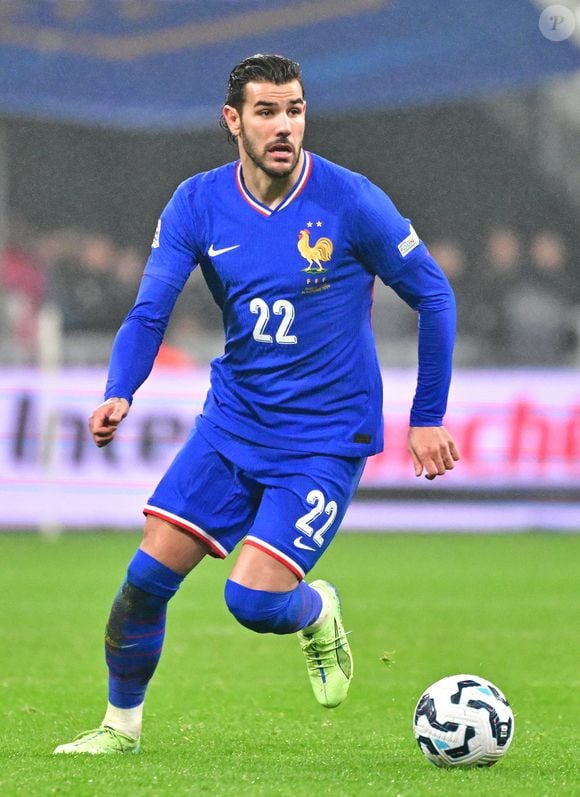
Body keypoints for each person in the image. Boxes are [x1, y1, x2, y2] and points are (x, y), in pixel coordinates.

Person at [54, 54, 460, 755]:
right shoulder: (196, 203)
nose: (284, 126)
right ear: (232, 120)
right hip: (234, 423)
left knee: (251, 602)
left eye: (295, 110)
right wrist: (120, 388)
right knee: (143, 581)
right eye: (267, 112)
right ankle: (119, 729)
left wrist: (427, 416)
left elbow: (434, 294)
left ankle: (317, 609)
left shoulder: (351, 200)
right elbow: (150, 311)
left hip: (324, 438)